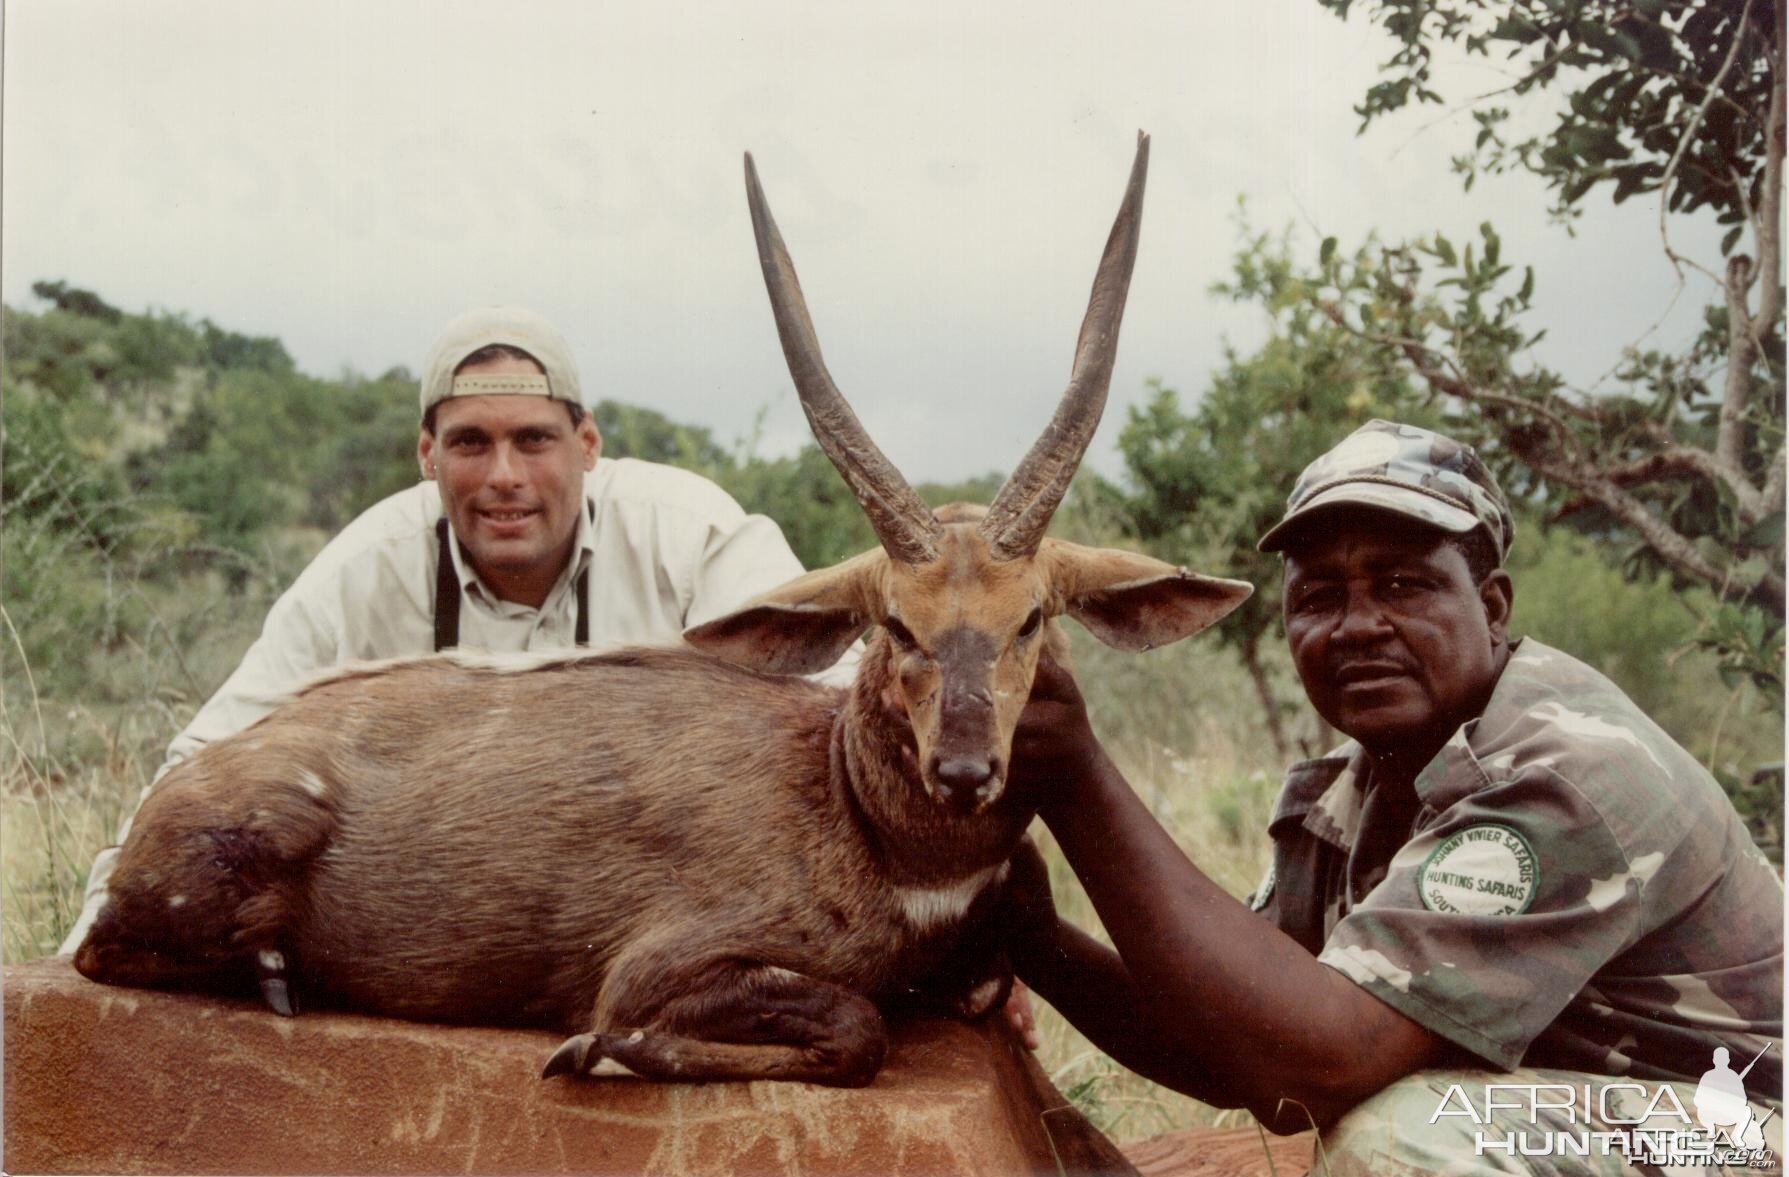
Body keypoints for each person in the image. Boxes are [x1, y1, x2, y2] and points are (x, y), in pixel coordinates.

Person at [1004, 420, 1784, 1173]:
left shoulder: (1565, 772)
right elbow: (1240, 1043)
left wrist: (1077, 782)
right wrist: (1030, 936)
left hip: (1743, 1134)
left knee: (1404, 1140)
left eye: (1403, 584)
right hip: (1593, 1122)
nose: (1357, 626)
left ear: (1492, 605)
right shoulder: (1359, 785)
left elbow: (1318, 1064)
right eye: (1317, 597)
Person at [64, 306, 847, 952]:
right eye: (471, 441)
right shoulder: (368, 563)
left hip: (663, 916)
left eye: (533, 439)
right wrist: (96, 932)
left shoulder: (693, 533)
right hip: (447, 926)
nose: (504, 474)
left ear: (588, 446)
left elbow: (841, 708)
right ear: (427, 456)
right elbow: (207, 762)